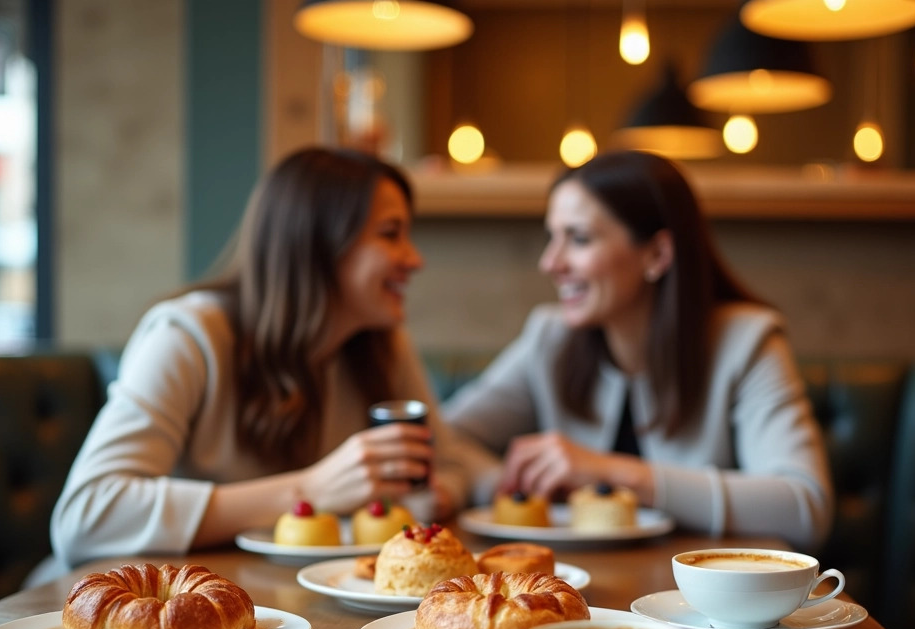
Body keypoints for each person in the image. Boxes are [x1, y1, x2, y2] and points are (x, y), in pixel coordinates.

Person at [48, 146, 469, 571]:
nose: (415, 259)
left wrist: (427, 494)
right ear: (318, 243)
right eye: (391, 233)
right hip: (128, 606)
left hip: (282, 606)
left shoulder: (381, 343)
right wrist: (309, 491)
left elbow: (452, 465)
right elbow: (86, 516)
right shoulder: (189, 336)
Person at [444, 150, 832, 550]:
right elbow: (446, 439)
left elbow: (806, 507)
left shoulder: (748, 341)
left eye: (578, 239)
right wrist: (515, 491)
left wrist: (615, 473)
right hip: (576, 591)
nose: (551, 262)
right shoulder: (550, 337)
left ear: (657, 254)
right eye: (552, 237)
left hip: (698, 601)